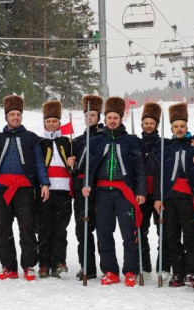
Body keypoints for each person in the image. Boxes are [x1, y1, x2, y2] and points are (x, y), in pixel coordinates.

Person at [81, 96, 145, 286]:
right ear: (105, 119)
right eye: (109, 117)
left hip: (124, 193)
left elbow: (140, 169)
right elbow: (87, 168)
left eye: (115, 117)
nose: (112, 121)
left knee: (129, 233)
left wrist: (140, 191)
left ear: (121, 119)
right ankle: (110, 270)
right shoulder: (96, 141)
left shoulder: (131, 141)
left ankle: (130, 271)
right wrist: (86, 184)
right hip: (102, 194)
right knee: (104, 233)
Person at [0, 95, 49, 280]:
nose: (15, 117)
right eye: (12, 114)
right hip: (1, 188)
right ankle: (9, 266)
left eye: (18, 114)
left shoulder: (31, 138)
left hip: (24, 189)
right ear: (6, 117)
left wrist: (44, 183)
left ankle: (29, 265)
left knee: (27, 227)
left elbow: (39, 162)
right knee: (3, 228)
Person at [153, 103, 194, 287]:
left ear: (187, 127)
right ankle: (178, 272)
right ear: (172, 128)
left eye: (182, 126)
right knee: (171, 237)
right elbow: (160, 175)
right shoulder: (166, 148)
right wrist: (158, 197)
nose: (179, 129)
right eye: (176, 126)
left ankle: (192, 271)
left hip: (188, 198)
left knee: (191, 236)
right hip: (169, 198)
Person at [36, 100, 73, 278]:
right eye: (48, 121)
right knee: (44, 228)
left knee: (60, 229)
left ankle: (59, 261)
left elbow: (75, 169)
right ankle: (43, 263)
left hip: (64, 191)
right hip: (46, 191)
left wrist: (73, 164)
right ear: (44, 123)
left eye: (55, 121)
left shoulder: (67, 142)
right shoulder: (40, 143)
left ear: (59, 123)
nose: (52, 124)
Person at [72, 95, 103, 280]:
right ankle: (87, 267)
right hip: (80, 189)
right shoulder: (77, 141)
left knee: (102, 229)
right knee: (82, 228)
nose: (90, 118)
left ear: (98, 117)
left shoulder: (104, 137)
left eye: (93, 115)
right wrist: (72, 164)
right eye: (87, 115)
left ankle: (108, 266)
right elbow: (75, 169)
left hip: (99, 189)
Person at [136, 102, 162, 276]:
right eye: (146, 123)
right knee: (140, 230)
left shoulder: (164, 144)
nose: (149, 125)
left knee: (163, 231)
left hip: (160, 194)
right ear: (142, 124)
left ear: (157, 125)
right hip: (142, 194)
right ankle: (144, 265)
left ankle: (163, 265)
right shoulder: (136, 144)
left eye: (152, 123)